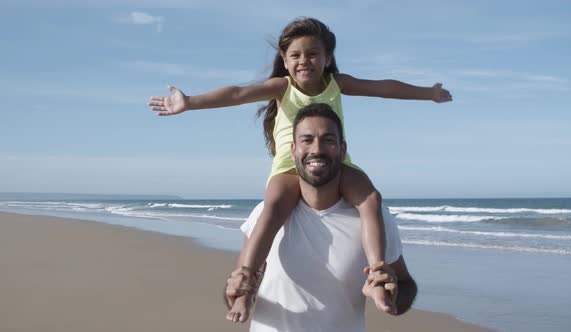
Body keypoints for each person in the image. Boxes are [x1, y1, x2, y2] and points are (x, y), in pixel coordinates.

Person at [148, 17, 449, 322]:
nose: (304, 61)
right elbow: (237, 93)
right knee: (274, 208)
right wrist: (189, 102)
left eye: (313, 54)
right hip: (288, 165)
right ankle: (245, 286)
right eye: (295, 55)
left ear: (327, 58)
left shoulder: (338, 83)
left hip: (337, 162)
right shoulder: (283, 87)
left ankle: (375, 276)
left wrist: (428, 93)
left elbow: (384, 88)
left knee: (371, 199)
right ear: (285, 60)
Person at [224, 103, 417, 332]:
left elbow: (406, 285)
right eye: (307, 140)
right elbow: (240, 285)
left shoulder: (374, 219)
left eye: (328, 140)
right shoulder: (265, 214)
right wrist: (233, 292)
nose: (317, 149)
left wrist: (392, 296)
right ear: (293, 150)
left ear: (342, 150)